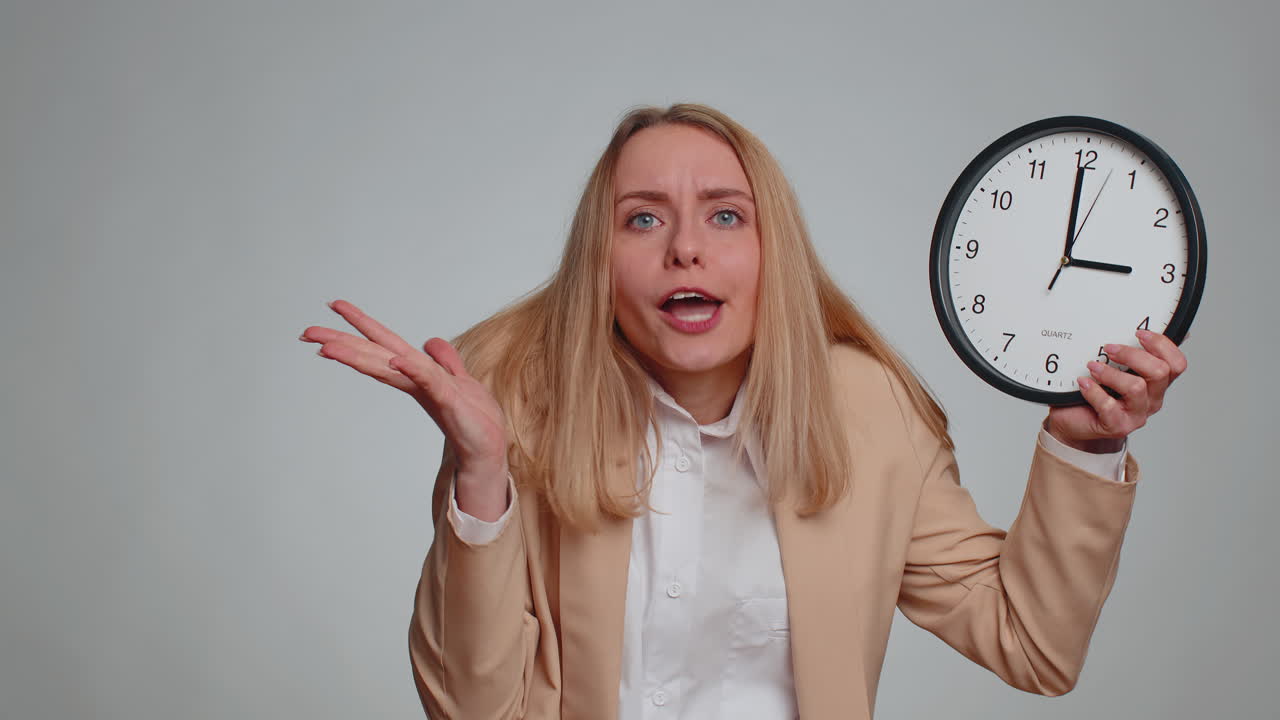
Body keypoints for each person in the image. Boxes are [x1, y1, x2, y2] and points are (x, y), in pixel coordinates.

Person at [298, 103, 1188, 720]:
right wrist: (481, 479)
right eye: (642, 221)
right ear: (599, 261)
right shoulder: (517, 404)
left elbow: (1030, 645)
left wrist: (1089, 441)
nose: (686, 247)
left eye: (726, 216)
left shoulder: (871, 414)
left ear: (775, 252)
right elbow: (471, 710)